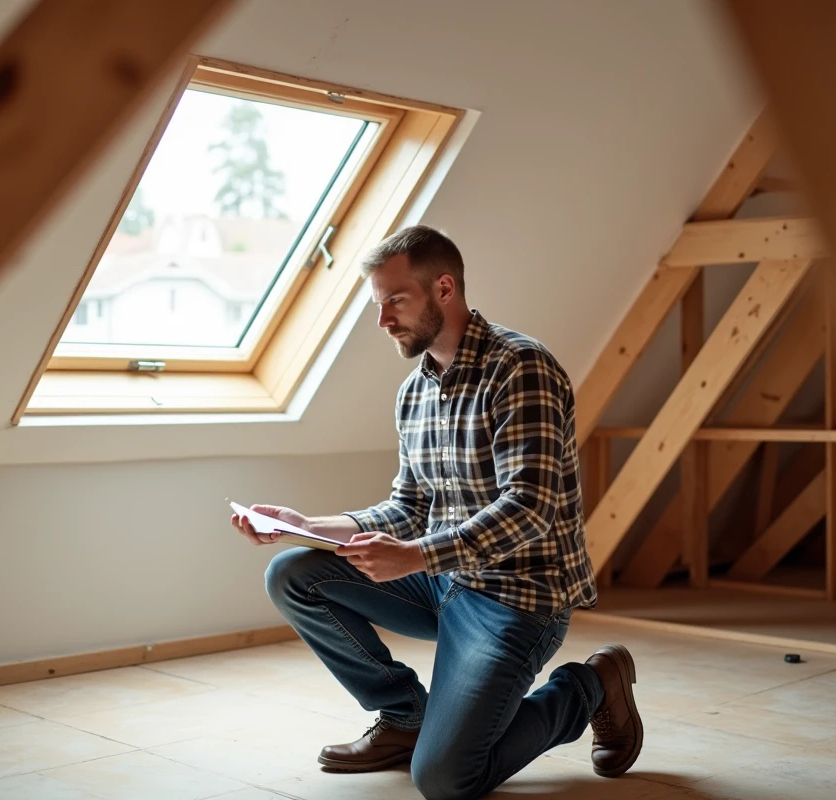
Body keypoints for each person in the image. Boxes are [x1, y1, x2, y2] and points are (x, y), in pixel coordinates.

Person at [230, 225, 642, 800]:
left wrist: (416, 555)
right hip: (444, 581)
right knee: (295, 572)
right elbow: (408, 506)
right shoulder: (414, 393)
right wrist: (307, 526)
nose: (383, 321)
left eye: (395, 301)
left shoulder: (520, 367)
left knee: (447, 780)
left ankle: (591, 685)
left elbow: (531, 507)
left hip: (516, 599)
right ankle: (404, 718)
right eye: (378, 305)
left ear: (443, 288)